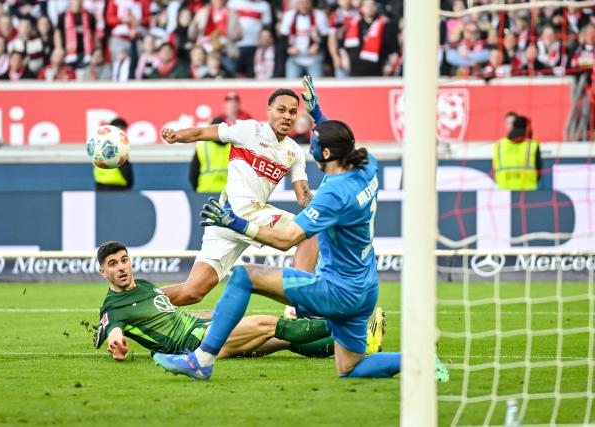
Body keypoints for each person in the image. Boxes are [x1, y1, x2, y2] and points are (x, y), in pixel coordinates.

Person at [153, 76, 449, 382]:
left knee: (244, 276)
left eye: (315, 143)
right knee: (351, 368)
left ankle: (203, 360)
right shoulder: (367, 165)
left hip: (336, 289)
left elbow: (288, 239)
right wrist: (318, 113)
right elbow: (339, 144)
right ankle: (420, 359)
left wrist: (236, 223)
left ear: (324, 154)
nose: (309, 143)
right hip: (365, 288)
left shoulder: (332, 195)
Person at [158, 88, 318, 307]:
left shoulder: (294, 152)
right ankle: (300, 305)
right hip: (240, 211)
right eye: (281, 110)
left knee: (192, 292)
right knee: (309, 233)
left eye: (292, 112)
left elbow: (303, 197)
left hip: (225, 219)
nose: (287, 116)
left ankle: (130, 302)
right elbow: (202, 133)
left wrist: (321, 203)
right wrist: (176, 136)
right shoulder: (249, 130)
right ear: (268, 111)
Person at [93, 240, 385, 361]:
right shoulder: (113, 307)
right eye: (113, 264)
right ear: (103, 271)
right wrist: (115, 342)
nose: (121, 267)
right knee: (269, 324)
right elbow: (112, 329)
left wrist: (214, 314)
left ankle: (358, 346)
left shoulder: (143, 287)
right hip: (193, 344)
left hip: (200, 329)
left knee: (286, 340)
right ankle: (353, 325)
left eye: (124, 260)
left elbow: (173, 309)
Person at [493, 115, 541, 191]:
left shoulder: (498, 145)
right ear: (527, 128)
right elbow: (539, 171)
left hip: (504, 192)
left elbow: (494, 170)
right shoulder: (532, 145)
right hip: (527, 193)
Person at [189, 117, 230, 192]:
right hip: (229, 193)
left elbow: (193, 174)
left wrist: (196, 191)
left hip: (206, 192)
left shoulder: (202, 146)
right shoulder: (233, 145)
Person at [94, 117, 134, 191]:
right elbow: (125, 169)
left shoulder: (99, 145)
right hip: (117, 188)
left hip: (100, 187)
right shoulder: (118, 145)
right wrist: (129, 184)